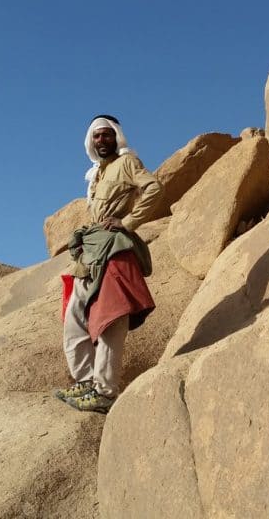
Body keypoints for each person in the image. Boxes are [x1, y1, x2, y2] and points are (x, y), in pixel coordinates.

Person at [55, 114, 163, 413]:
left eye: (107, 134)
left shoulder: (127, 163)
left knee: (111, 316)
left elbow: (154, 188)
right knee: (75, 316)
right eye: (97, 136)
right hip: (92, 252)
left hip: (114, 250)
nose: (102, 140)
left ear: (116, 137)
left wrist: (127, 222)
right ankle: (85, 380)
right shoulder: (96, 175)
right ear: (91, 141)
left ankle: (104, 390)